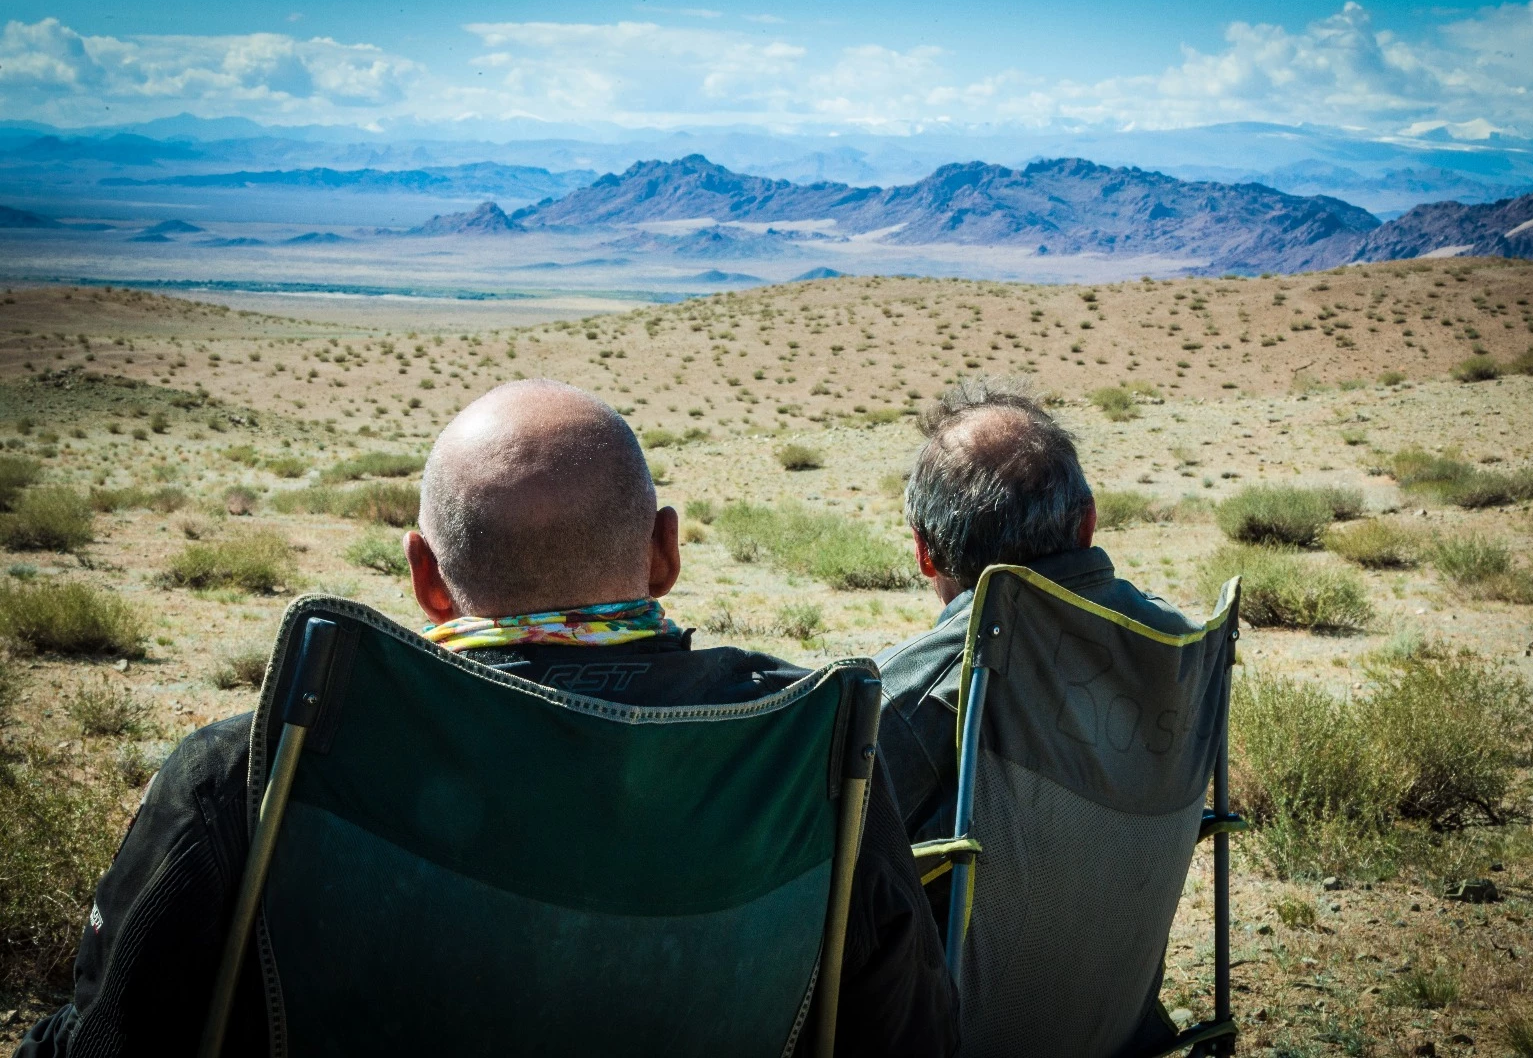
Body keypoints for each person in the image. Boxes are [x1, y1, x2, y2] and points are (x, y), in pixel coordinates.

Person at [18, 380, 957, 1058]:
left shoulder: (253, 770)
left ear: (425, 576)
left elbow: (108, 1038)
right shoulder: (806, 759)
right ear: (665, 553)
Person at [875, 378, 1202, 849]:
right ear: (1088, 524)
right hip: (1127, 917)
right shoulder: (1181, 649)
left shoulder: (898, 704)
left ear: (924, 552)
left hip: (971, 925)